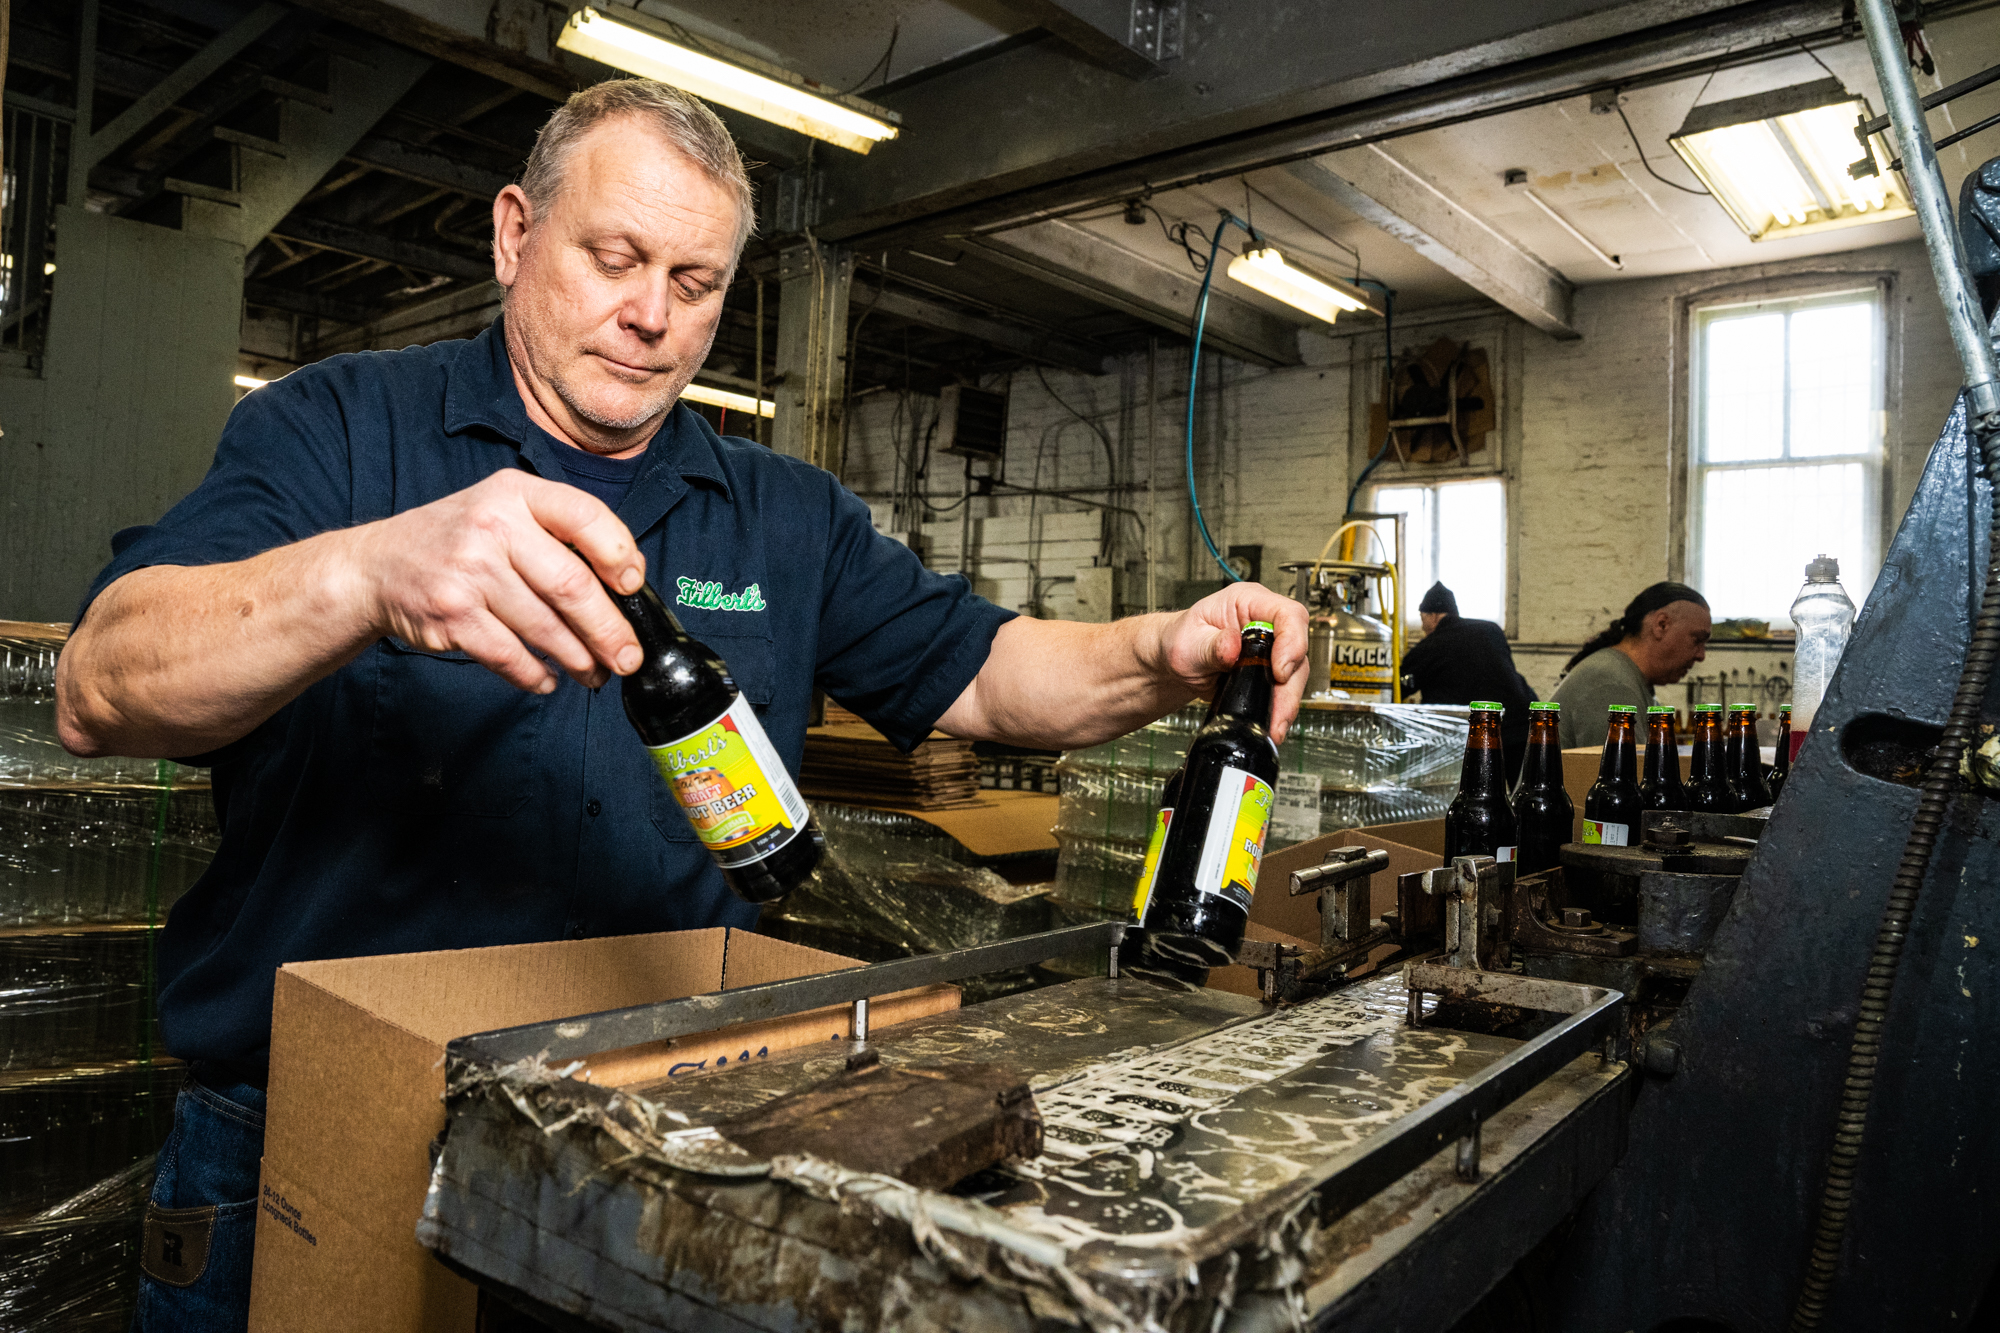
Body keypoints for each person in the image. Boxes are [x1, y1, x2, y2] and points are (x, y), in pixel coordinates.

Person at [52, 81, 1310, 1327]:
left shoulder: (783, 513)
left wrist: (1162, 647)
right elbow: (101, 685)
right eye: (614, 258)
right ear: (512, 233)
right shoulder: (337, 430)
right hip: (320, 1127)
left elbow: (988, 673)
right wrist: (365, 574)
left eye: (695, 283)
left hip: (652, 1148)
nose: (650, 315)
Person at [1399, 582, 1536, 780]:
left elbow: (1397, 687)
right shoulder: (1491, 630)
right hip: (1520, 725)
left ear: (1434, 615)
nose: (1422, 627)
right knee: (1519, 795)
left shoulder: (1430, 646)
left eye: (1423, 618)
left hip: (1476, 738)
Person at [1550, 582, 1711, 748]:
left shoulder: (1625, 677)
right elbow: (1619, 773)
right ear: (1661, 625)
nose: (1701, 655)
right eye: (1697, 640)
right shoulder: (1612, 684)